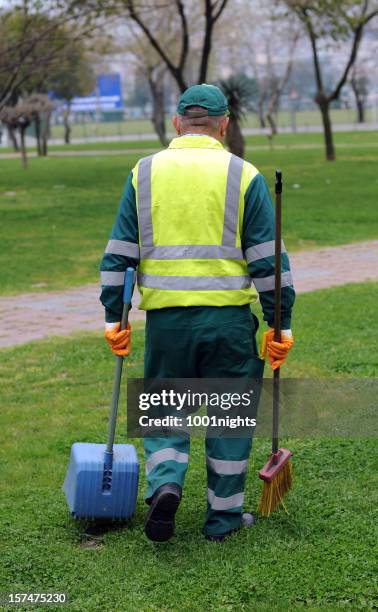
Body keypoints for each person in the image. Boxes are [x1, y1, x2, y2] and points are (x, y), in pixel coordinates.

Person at [100, 84, 295, 542]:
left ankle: (166, 484)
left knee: (166, 412)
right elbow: (268, 262)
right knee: (229, 418)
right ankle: (223, 520)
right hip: (227, 324)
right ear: (224, 125)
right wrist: (280, 325)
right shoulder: (243, 174)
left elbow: (119, 255)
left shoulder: (144, 173)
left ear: (176, 124)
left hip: (168, 323)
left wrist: (115, 319)